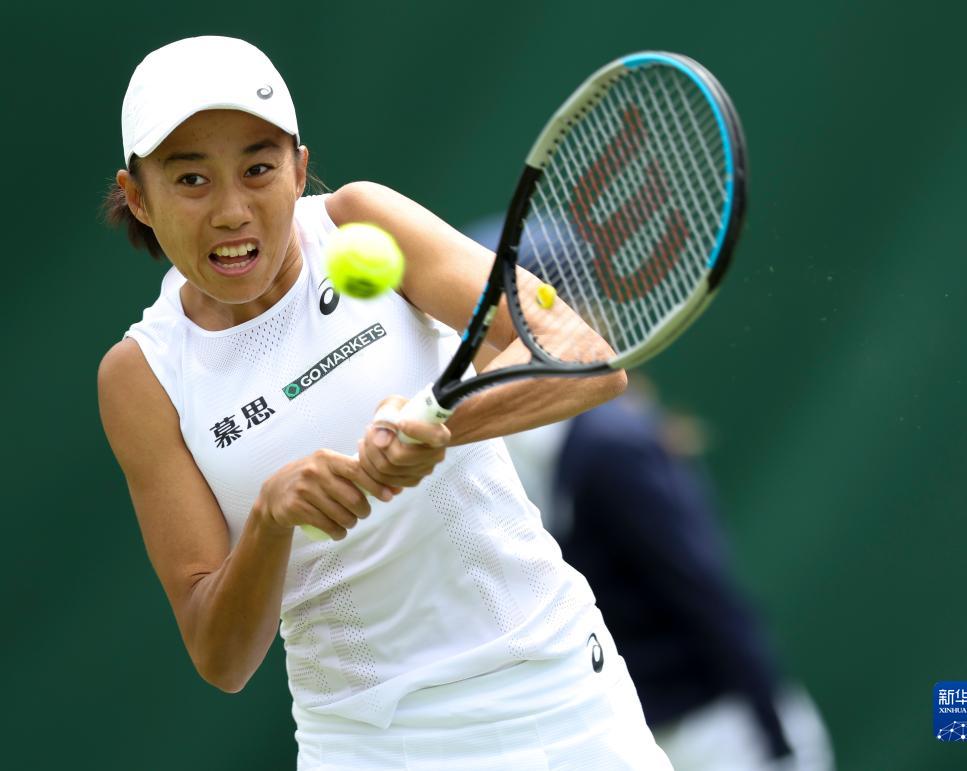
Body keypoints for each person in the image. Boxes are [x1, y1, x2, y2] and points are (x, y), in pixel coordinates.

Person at [98, 36, 670, 770]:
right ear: (139, 197)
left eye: (258, 168)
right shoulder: (141, 377)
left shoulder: (359, 220)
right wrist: (271, 518)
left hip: (555, 694)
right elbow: (221, 657)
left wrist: (438, 424)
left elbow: (584, 358)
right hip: (367, 744)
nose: (232, 210)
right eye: (191, 179)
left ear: (298, 169)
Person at [467, 214, 835, 770]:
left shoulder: (610, 444)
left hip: (720, 735)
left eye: (492, 314)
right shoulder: (532, 445)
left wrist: (774, 739)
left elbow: (702, 592)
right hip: (638, 735)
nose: (471, 334)